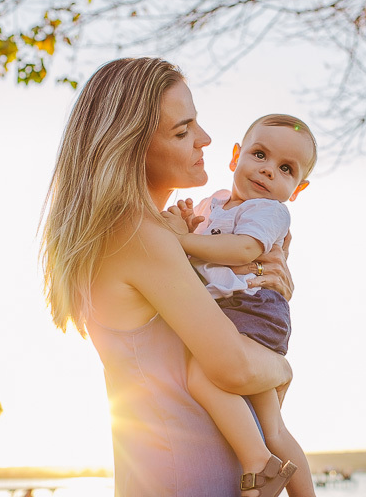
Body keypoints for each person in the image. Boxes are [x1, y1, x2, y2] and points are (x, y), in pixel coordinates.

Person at [41, 57, 297, 497]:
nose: (206, 139)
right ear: (130, 147)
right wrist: (282, 367)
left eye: (195, 122)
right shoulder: (140, 236)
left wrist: (264, 280)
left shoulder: (148, 232)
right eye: (182, 131)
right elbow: (234, 368)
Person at [162, 114, 317, 497]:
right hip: (233, 312)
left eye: (285, 169)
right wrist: (187, 224)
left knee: (202, 374)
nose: (267, 171)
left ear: (297, 189)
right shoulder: (213, 203)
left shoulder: (269, 211)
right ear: (235, 157)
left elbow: (242, 249)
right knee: (274, 426)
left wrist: (180, 241)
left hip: (251, 310)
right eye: (260, 155)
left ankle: (257, 463)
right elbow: (199, 247)